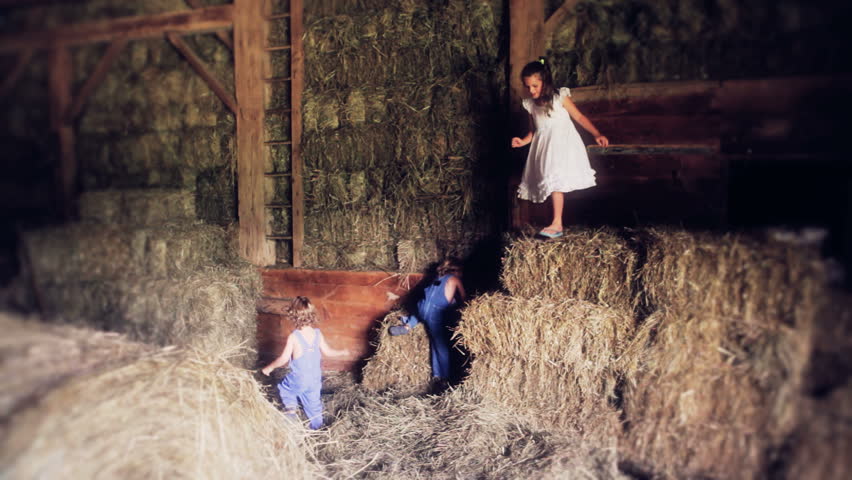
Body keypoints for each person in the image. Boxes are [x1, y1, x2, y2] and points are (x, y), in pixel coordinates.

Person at [511, 57, 609, 238]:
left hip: (562, 145)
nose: (531, 90)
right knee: (549, 183)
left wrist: (597, 134)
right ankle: (554, 222)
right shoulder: (531, 105)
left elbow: (579, 117)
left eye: (534, 86)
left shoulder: (559, 97)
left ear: (545, 82)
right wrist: (522, 141)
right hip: (543, 148)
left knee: (555, 181)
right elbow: (534, 131)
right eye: (527, 87)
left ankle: (557, 223)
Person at [261, 296, 347, 429]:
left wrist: (268, 368)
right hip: (315, 379)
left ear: (293, 315)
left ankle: (291, 413)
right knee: (314, 406)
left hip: (298, 379)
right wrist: (342, 352)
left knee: (286, 389)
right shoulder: (317, 334)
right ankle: (317, 427)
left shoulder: (294, 337)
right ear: (312, 315)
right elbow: (329, 352)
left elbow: (283, 359)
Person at [389, 258, 467, 386]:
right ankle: (445, 378)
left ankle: (408, 325)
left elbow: (434, 297)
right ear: (457, 270)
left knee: (425, 320)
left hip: (421, 308)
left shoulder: (437, 277)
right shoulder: (455, 279)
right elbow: (464, 299)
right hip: (436, 314)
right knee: (441, 345)